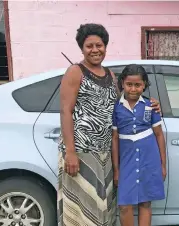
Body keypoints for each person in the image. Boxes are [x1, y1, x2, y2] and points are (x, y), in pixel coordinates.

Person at [57, 24, 161, 226]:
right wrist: (70, 151)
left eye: (99, 45)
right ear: (81, 48)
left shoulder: (110, 75)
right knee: (82, 207)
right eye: (89, 46)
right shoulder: (75, 72)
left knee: (102, 207)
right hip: (82, 151)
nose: (95, 50)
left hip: (105, 153)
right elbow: (65, 111)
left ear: (105, 46)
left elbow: (127, 103)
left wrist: (152, 103)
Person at [111, 64, 167, 226]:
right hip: (126, 159)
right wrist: (116, 169)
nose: (133, 89)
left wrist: (163, 165)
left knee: (145, 201)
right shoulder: (116, 107)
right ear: (122, 84)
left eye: (138, 85)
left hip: (149, 158)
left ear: (144, 85)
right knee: (124, 205)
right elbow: (115, 138)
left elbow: (158, 134)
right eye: (129, 84)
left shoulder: (150, 105)